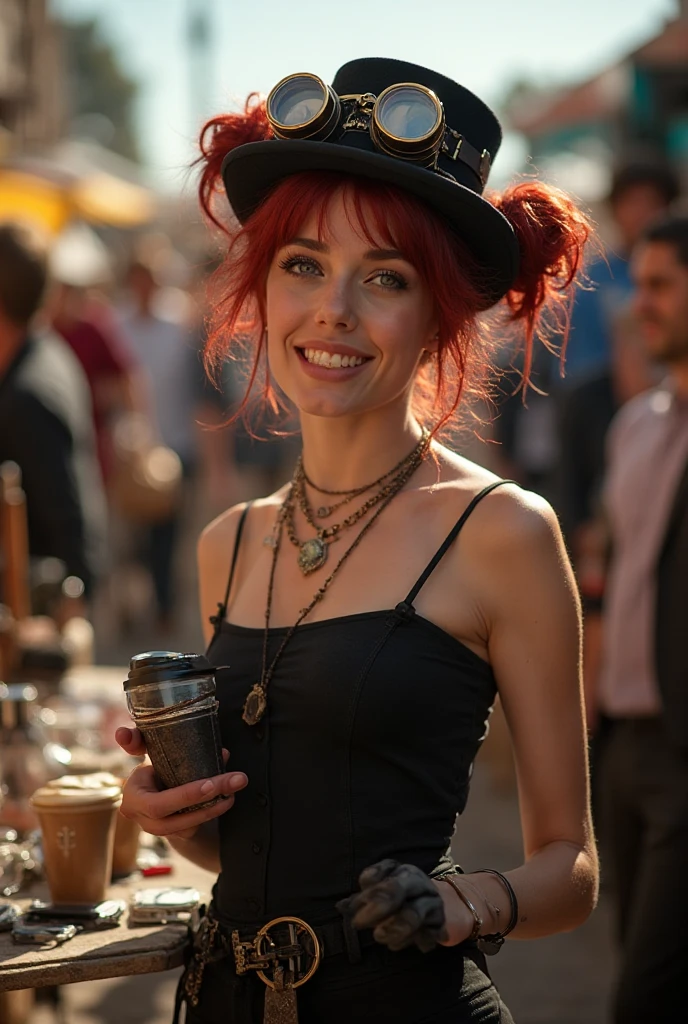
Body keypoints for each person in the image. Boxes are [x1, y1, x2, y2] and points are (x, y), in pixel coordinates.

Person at [116, 59, 598, 1024]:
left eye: (385, 278)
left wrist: (463, 903)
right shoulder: (228, 543)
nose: (333, 308)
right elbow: (242, 848)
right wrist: (171, 816)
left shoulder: (502, 532)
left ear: (440, 317)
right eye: (303, 264)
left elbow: (571, 869)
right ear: (263, 290)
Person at [591, 212, 688, 1024]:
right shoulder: (635, 427)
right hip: (622, 740)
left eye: (660, 286)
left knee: (643, 997)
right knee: (635, 955)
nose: (640, 304)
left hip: (682, 750)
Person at [0, 221, 106, 605]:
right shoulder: (44, 348)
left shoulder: (28, 395)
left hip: (38, 616)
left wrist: (68, 605)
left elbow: (70, 533)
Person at [117, 257, 198, 629]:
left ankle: (164, 606)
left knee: (168, 535)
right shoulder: (118, 323)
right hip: (132, 451)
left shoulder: (179, 324)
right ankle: (134, 608)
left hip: (177, 444)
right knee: (133, 538)